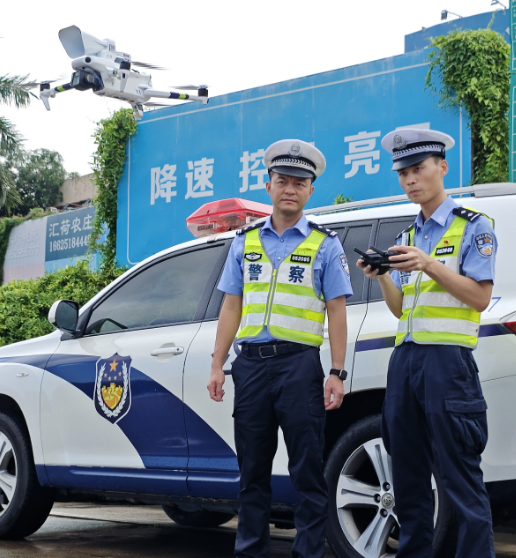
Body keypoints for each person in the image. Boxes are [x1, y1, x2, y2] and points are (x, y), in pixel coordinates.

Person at [207, 139, 353, 558]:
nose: (290, 189)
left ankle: (308, 553)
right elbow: (231, 305)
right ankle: (250, 551)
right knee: (252, 471)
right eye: (283, 180)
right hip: (250, 368)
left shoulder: (326, 244)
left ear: (310, 190)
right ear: (268, 185)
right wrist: (217, 364)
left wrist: (337, 372)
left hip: (299, 367)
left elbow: (336, 311)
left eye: (299, 183)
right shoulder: (245, 241)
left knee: (307, 470)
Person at [357, 128, 496, 558]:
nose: (410, 179)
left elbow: (480, 298)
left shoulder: (474, 226)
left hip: (448, 363)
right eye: (403, 173)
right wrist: (382, 276)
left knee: (459, 476)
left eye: (418, 169)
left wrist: (430, 264)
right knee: (407, 476)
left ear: (442, 167)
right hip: (405, 361)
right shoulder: (406, 238)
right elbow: (401, 310)